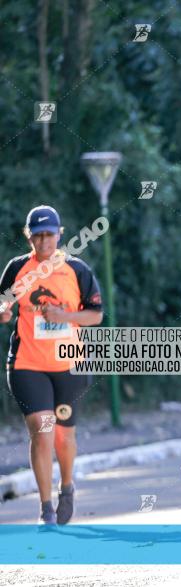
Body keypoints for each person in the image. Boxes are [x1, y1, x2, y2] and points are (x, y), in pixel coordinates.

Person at [0, 206, 103, 525]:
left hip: (68, 366)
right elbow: (3, 303)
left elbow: (96, 316)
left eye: (49, 234)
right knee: (42, 432)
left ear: (60, 234)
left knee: (63, 436)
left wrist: (66, 317)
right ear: (28, 236)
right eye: (38, 235)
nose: (44, 241)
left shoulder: (76, 270)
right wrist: (3, 313)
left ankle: (67, 487)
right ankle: (45, 508)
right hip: (27, 364)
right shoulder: (18, 269)